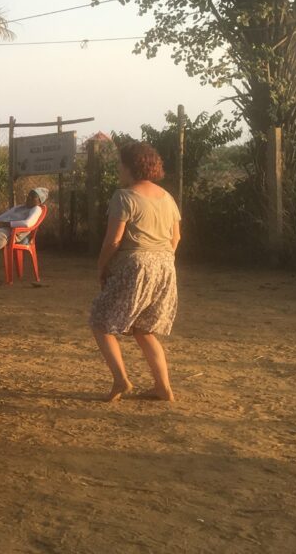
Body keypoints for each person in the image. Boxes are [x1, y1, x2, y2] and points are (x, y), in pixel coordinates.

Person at [91, 142, 181, 403]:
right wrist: (162, 260)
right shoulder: (167, 197)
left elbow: (114, 241)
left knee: (100, 321)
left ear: (130, 166)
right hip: (165, 265)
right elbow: (177, 238)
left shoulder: (124, 196)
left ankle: (121, 380)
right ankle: (163, 387)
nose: (119, 168)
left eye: (121, 164)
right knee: (144, 329)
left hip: (136, 265)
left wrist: (102, 266)